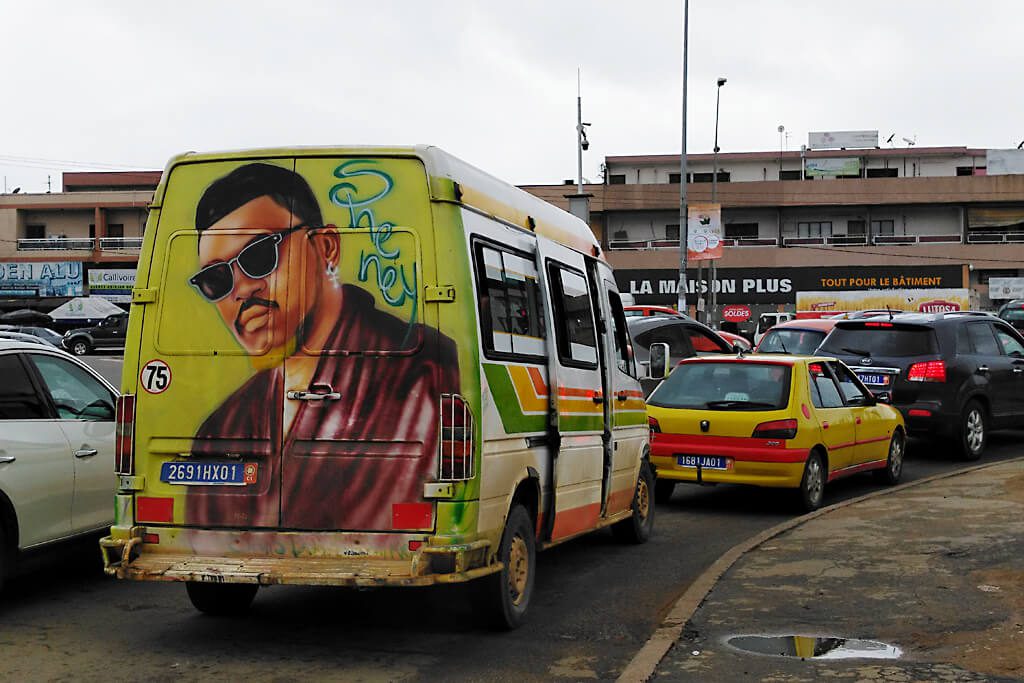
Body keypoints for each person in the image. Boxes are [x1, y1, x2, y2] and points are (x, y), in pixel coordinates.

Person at [185, 163, 460, 529]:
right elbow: (207, 540)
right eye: (216, 279)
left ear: (326, 247)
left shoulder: (420, 374)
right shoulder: (222, 428)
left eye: (258, 257)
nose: (242, 290)